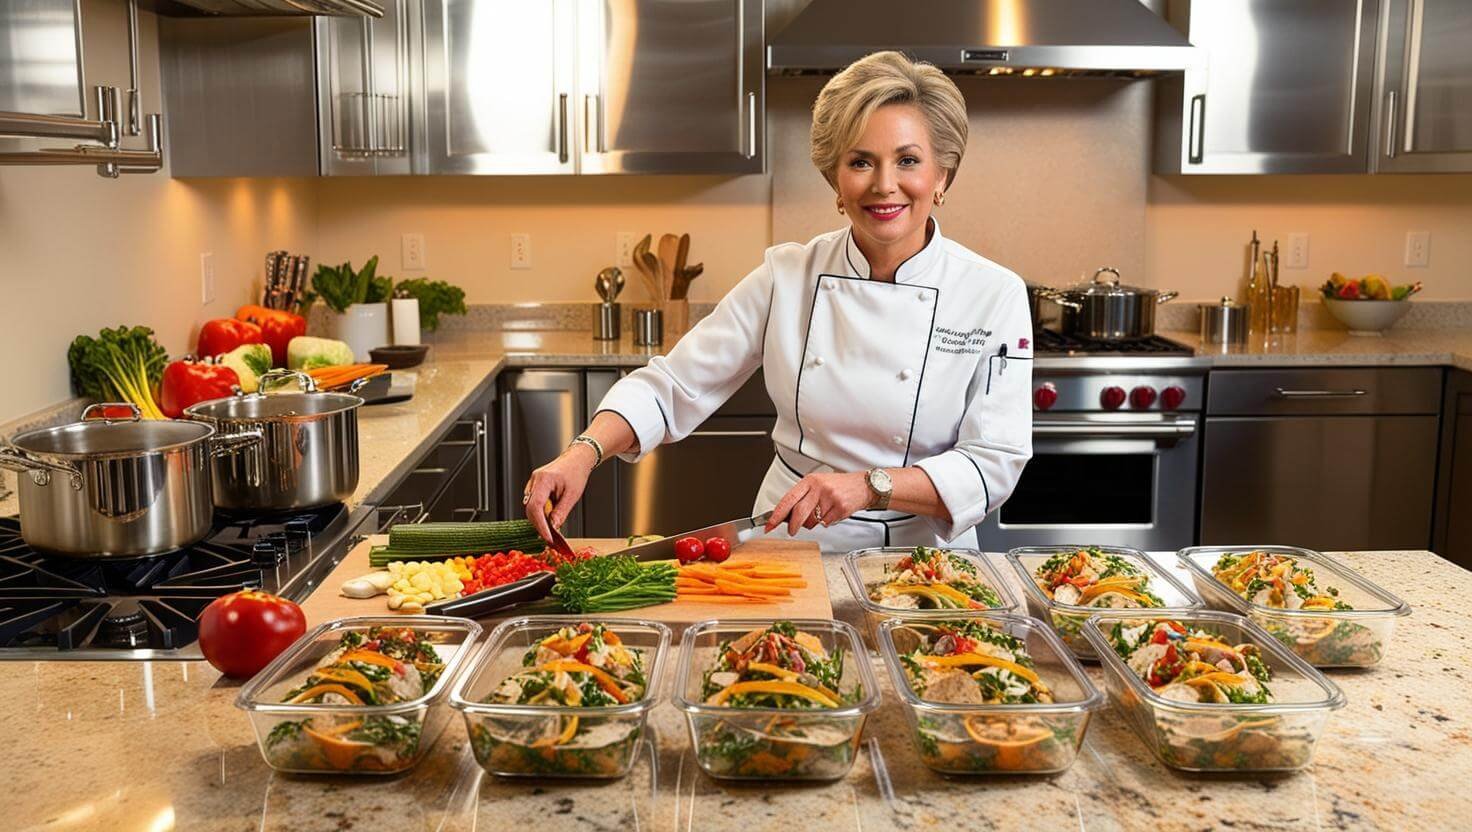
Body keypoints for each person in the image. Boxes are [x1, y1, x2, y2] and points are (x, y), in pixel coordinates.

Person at [523, 50, 1033, 552]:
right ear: (835, 180)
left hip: (933, 559)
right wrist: (582, 452)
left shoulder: (993, 294)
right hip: (798, 540)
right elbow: (673, 385)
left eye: (907, 160)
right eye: (860, 162)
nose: (884, 185)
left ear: (942, 176)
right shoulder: (787, 275)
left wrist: (870, 485)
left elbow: (995, 460)